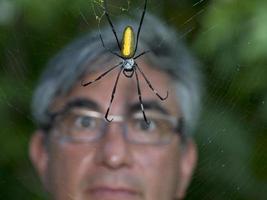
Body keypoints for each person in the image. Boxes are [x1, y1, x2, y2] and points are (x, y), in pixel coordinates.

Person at [29, 12, 202, 200]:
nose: (114, 156)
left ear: (186, 164)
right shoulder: (125, 63)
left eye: (146, 125)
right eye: (85, 122)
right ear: (41, 154)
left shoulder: (132, 67)